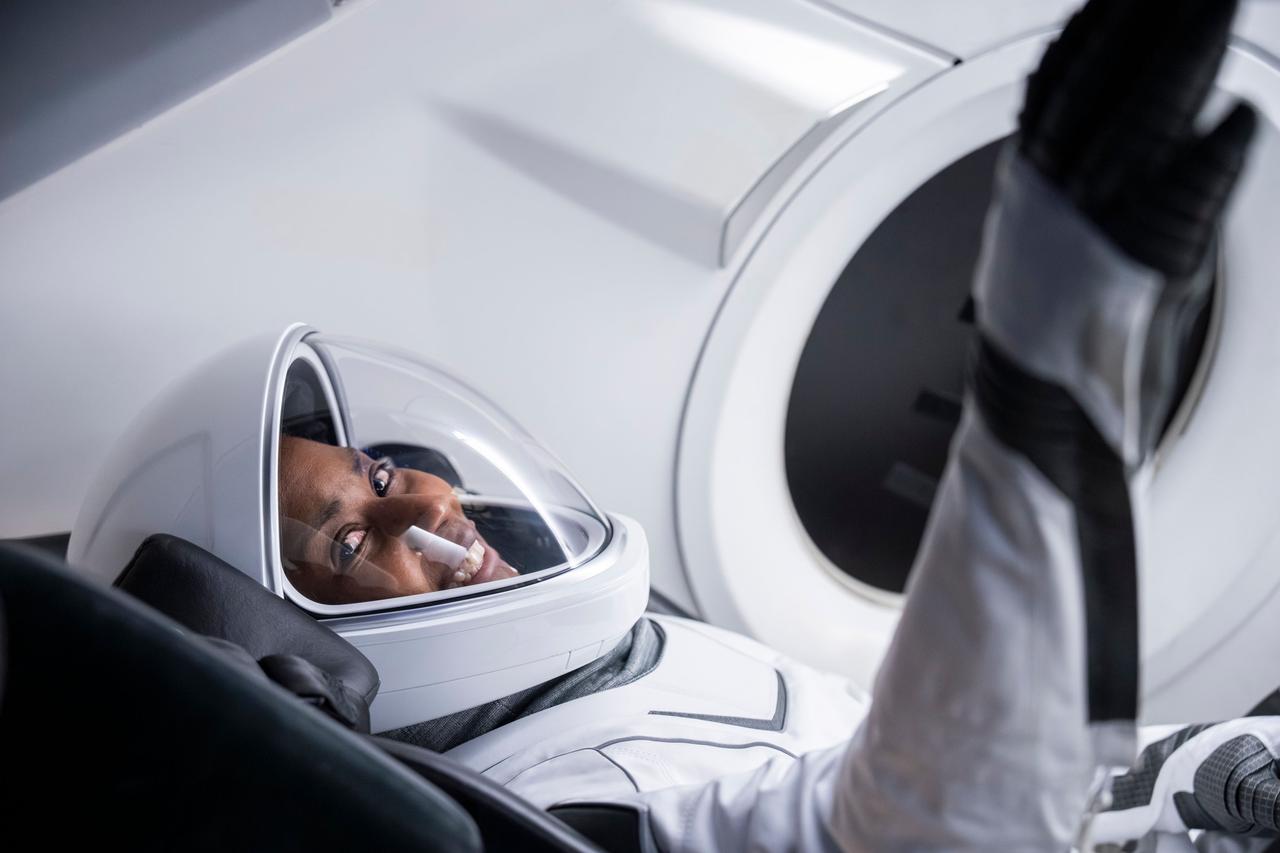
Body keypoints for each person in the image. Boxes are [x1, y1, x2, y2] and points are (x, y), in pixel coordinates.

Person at [67, 0, 1277, 848]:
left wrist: (1196, 760)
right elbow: (931, 825)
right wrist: (1047, 367)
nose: (431, 506)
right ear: (300, 668)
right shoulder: (559, 805)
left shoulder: (612, 656)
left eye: (383, 471)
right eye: (346, 542)